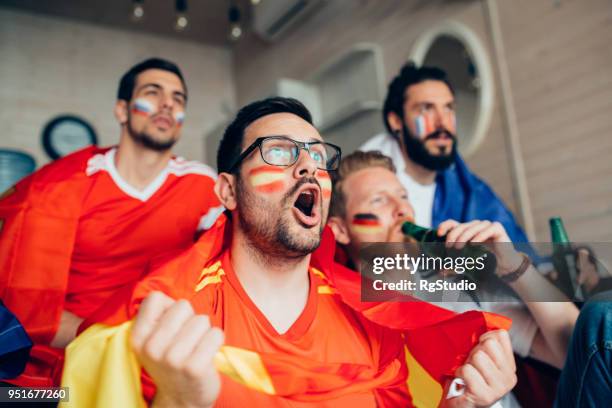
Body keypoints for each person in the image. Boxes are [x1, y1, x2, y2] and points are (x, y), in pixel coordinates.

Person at [62, 97, 517, 407]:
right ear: (228, 191)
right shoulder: (172, 319)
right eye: (279, 152)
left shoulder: (374, 322)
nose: (307, 165)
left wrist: (463, 405)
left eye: (318, 158)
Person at [0, 58, 222, 387]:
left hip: (150, 353)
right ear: (122, 110)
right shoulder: (63, 184)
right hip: (56, 356)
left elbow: (224, 277)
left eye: (178, 99)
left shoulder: (203, 185)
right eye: (153, 92)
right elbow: (29, 307)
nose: (167, 104)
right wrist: (105, 340)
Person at [327, 150, 579, 406]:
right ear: (340, 230)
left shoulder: (456, 282)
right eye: (379, 201)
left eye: (403, 196)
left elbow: (580, 351)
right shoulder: (338, 323)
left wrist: (514, 266)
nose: (402, 209)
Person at [360, 62, 529, 243]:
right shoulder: (363, 177)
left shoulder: (464, 181)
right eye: (426, 109)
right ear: (396, 121)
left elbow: (516, 245)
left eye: (448, 108)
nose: (443, 122)